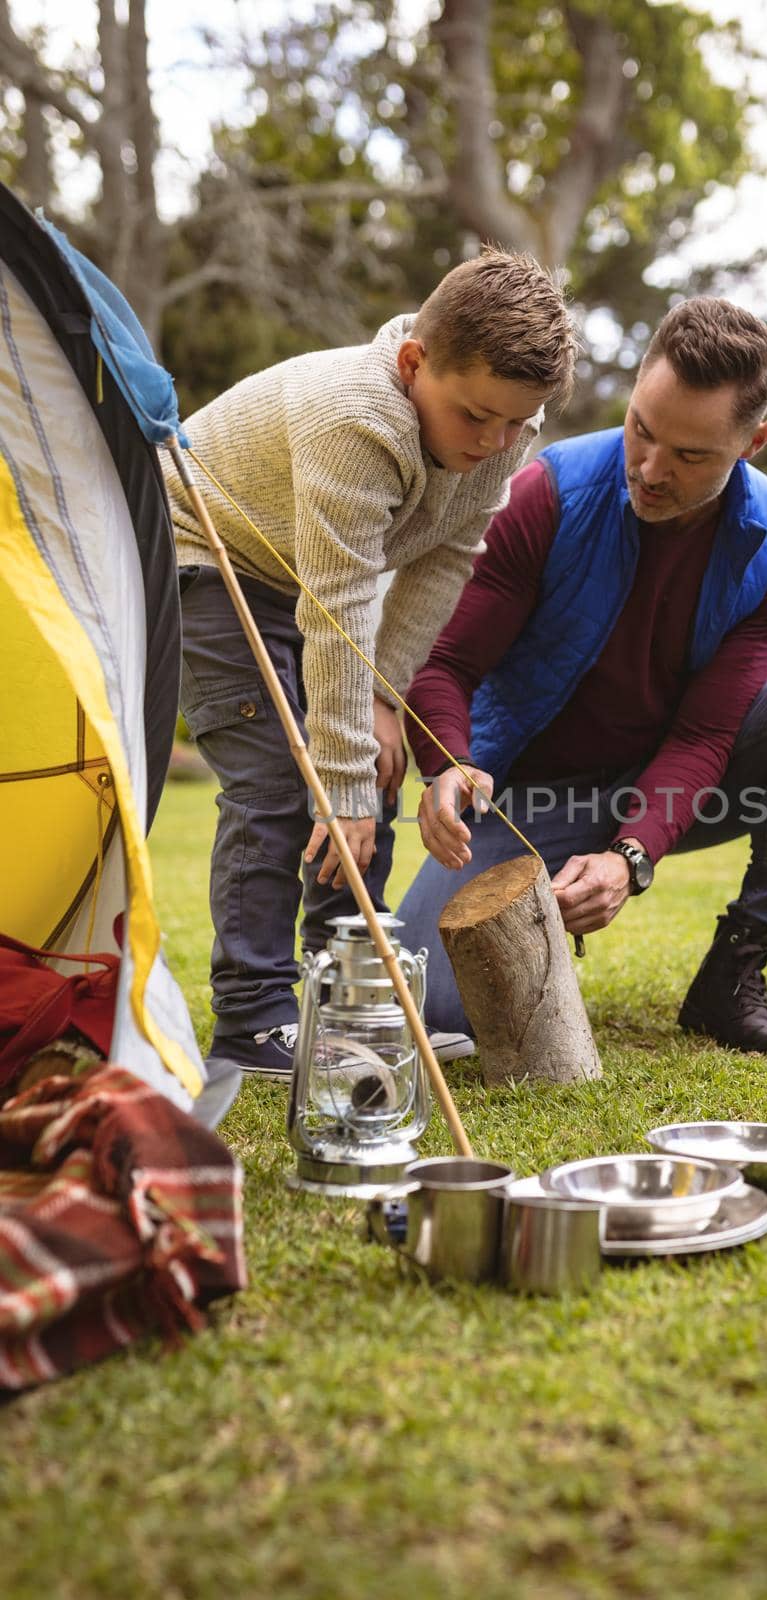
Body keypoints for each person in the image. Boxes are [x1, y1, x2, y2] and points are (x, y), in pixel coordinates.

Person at [394, 296, 767, 1057]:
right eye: (642, 429)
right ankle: (536, 898)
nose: (651, 469)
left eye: (691, 455)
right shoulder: (548, 496)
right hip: (531, 795)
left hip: (674, 787)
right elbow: (446, 664)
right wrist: (451, 764)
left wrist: (630, 857)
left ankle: (731, 977)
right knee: (435, 1008)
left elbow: (705, 731)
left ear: (753, 441)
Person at [164, 250, 575, 1076]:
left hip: (298, 578)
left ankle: (342, 996)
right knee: (289, 782)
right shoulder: (352, 418)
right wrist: (340, 783)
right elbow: (339, 605)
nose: (495, 442)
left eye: (514, 423)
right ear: (414, 363)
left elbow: (445, 560)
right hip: (200, 561)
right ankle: (251, 1015)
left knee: (372, 758)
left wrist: (384, 706)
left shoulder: (505, 424)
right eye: (475, 416)